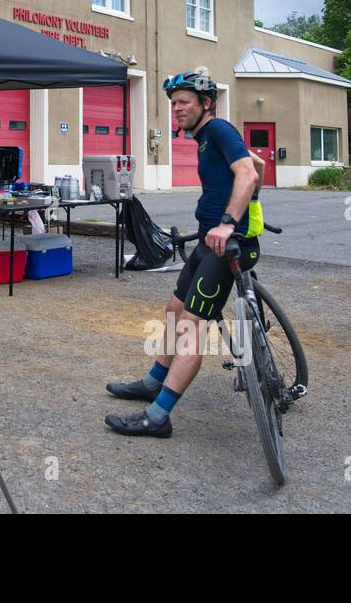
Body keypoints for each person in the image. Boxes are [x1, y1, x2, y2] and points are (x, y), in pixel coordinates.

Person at [105, 69, 265, 438]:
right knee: (174, 309)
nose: (176, 109)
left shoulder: (220, 129)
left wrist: (230, 221)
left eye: (184, 103)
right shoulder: (206, 137)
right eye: (174, 103)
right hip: (209, 242)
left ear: (206, 104)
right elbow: (256, 165)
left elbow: (247, 174)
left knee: (192, 328)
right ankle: (152, 381)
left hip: (227, 245)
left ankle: (158, 416)